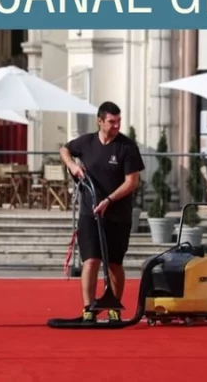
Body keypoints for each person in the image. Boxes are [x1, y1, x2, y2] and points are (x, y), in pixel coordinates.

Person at [59, 101, 145, 323]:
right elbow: (65, 149)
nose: (116, 126)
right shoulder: (86, 142)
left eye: (118, 121)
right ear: (100, 121)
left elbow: (132, 182)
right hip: (90, 213)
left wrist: (109, 199)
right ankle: (89, 308)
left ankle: (113, 307)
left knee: (114, 263)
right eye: (111, 122)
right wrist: (72, 165)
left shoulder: (127, 147)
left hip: (118, 215)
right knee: (91, 260)